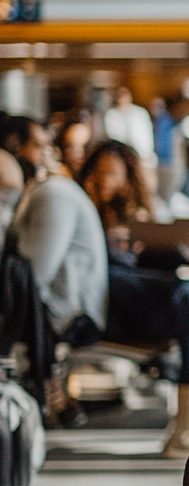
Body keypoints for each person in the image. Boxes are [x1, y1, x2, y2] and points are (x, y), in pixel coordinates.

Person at [75, 141, 189, 457]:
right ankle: (186, 423)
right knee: (187, 295)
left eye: (112, 174)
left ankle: (186, 422)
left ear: (129, 178)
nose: (104, 181)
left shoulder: (142, 214)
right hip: (106, 302)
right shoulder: (78, 209)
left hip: (144, 301)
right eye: (98, 173)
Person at [2, 117, 108, 427]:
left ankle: (41, 390)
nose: (48, 152)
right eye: (39, 145)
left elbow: (34, 270)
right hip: (55, 307)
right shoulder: (39, 193)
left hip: (71, 312)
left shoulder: (53, 194)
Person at [102, 87, 155, 166]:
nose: (121, 99)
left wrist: (146, 152)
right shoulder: (111, 114)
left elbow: (147, 134)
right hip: (121, 156)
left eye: (123, 96)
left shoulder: (140, 113)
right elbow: (112, 136)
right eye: (119, 96)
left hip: (142, 155)